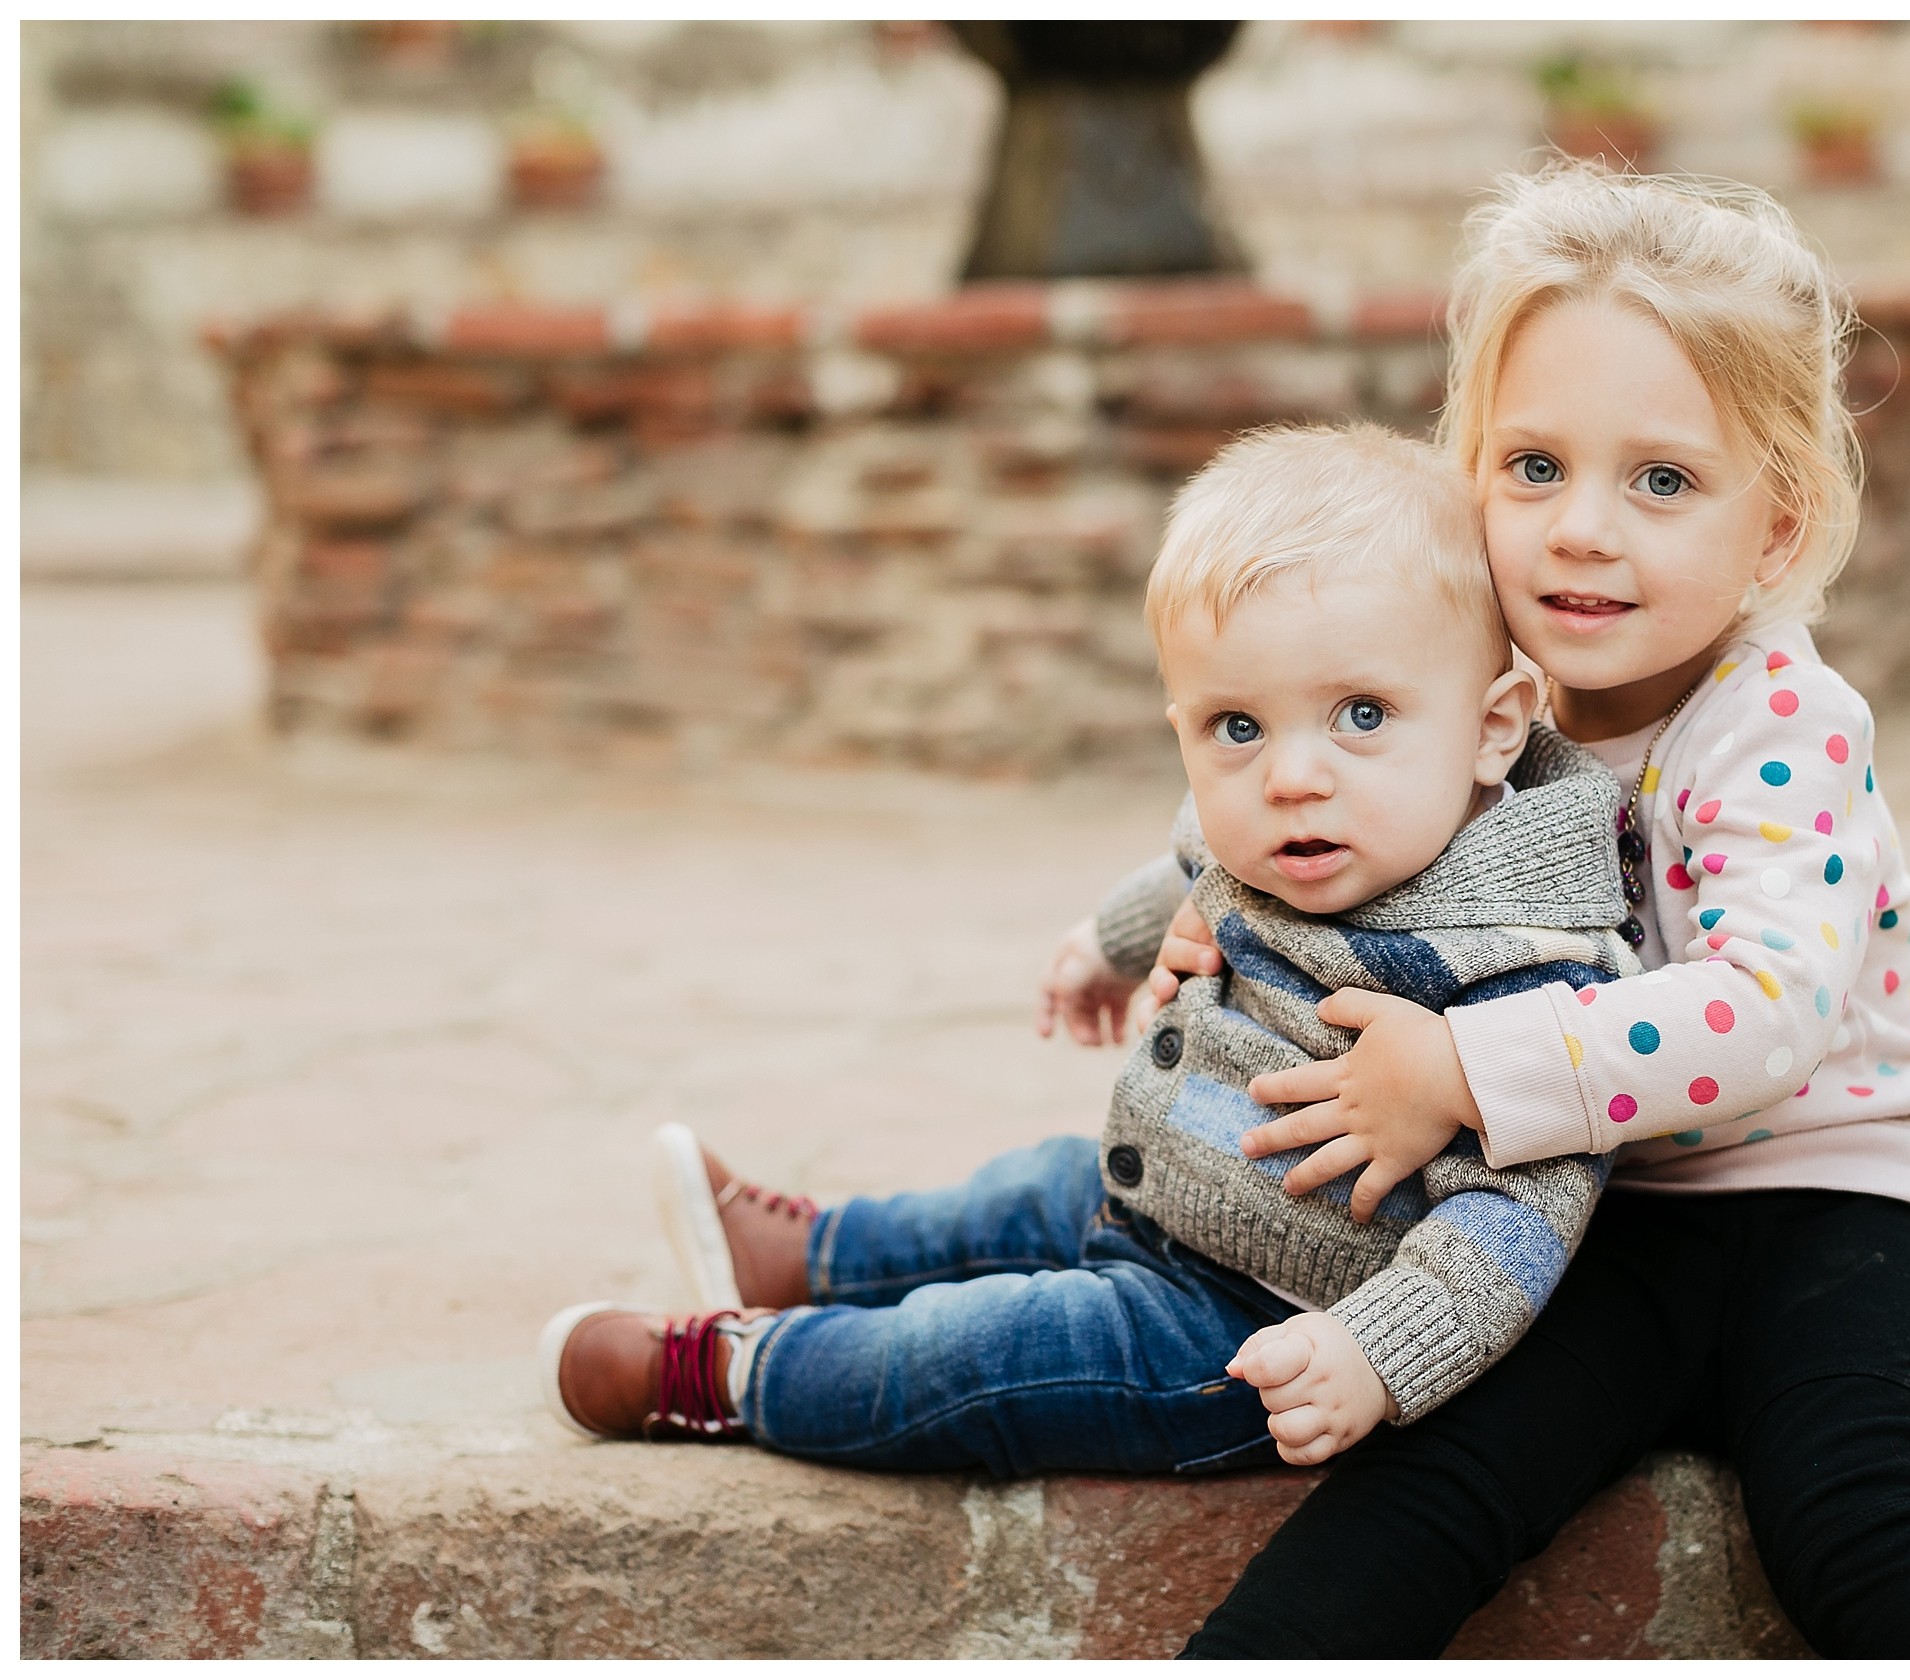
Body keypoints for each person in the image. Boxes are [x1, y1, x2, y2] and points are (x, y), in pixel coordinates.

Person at [1173, 165, 1910, 1658]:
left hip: (1836, 1207)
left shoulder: (1777, 720)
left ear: (1774, 534)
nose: (1583, 531)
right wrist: (1199, 924)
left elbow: (1769, 1011)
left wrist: (1468, 1071)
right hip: (1582, 1220)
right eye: (1533, 468)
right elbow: (1293, 808)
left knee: (1858, 1529)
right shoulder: (1469, 698)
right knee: (1419, 1495)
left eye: (1661, 481)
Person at [535, 423, 1641, 1476]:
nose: (1291, 775)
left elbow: (1519, 1220)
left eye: (1361, 715)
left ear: (1495, 724)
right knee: (1017, 1196)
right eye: (1236, 728)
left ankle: (729, 1375)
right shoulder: (1313, 830)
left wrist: (1374, 1358)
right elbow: (1196, 863)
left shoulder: (1526, 966)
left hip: (1248, 1329)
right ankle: (806, 1256)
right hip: (1159, 1195)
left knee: (980, 1354)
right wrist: (1110, 945)